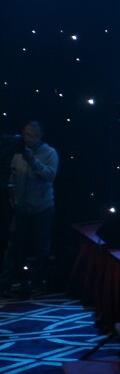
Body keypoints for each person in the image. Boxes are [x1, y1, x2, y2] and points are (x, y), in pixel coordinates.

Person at [3, 121, 58, 297]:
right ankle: (12, 281)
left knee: (41, 246)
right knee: (15, 246)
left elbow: (50, 175)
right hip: (20, 208)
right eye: (27, 134)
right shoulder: (17, 153)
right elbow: (13, 174)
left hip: (42, 208)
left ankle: (37, 282)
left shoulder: (49, 152)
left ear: (41, 136)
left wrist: (32, 160)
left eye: (34, 135)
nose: (30, 138)